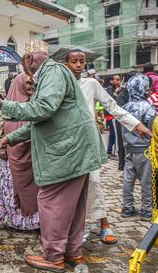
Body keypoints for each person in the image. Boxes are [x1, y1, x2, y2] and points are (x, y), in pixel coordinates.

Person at [0, 40, 107, 273]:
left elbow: (44, 109)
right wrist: (11, 138)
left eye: (25, 65)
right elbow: (44, 119)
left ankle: (53, 257)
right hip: (77, 150)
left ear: (30, 60)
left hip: (69, 152)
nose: (27, 75)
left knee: (51, 201)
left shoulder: (51, 70)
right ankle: (73, 253)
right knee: (73, 205)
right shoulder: (56, 72)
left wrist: (3, 105)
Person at [65, 49, 152, 245]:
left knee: (94, 182)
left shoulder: (91, 84)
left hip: (88, 143)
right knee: (69, 186)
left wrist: (136, 124)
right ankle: (71, 228)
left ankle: (104, 225)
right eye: (74, 61)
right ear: (66, 64)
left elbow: (112, 106)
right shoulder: (60, 85)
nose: (78, 65)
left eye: (81, 61)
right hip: (67, 144)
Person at [0, 72, 40, 231]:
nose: (31, 87)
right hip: (12, 156)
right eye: (28, 84)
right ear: (19, 84)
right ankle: (15, 222)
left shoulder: (37, 105)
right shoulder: (10, 106)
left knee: (34, 191)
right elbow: (4, 128)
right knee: (12, 187)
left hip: (33, 157)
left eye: (33, 84)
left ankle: (34, 222)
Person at [121, 75, 156, 222]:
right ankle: (147, 210)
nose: (148, 91)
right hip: (145, 150)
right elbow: (153, 127)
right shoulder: (148, 108)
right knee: (146, 181)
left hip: (129, 148)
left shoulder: (125, 107)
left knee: (128, 179)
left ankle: (127, 207)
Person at [116, 71, 139, 171]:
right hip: (123, 122)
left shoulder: (137, 93)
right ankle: (123, 165)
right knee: (122, 144)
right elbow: (120, 110)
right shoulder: (122, 94)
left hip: (135, 122)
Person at [105, 75, 122, 155]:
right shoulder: (110, 89)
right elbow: (110, 101)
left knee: (112, 133)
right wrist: (117, 93)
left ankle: (109, 150)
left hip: (114, 115)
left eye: (119, 79)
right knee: (113, 133)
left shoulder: (115, 89)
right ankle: (112, 150)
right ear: (112, 81)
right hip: (111, 115)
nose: (118, 81)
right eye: (117, 79)